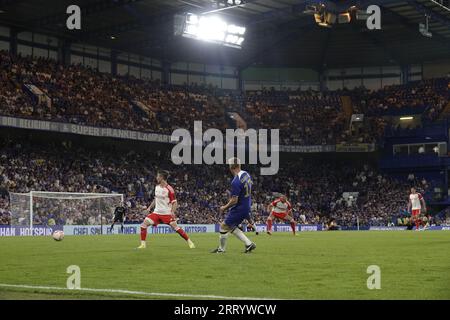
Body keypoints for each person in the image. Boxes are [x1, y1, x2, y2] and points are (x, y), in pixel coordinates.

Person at [137, 170, 195, 249]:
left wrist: (172, 212)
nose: (156, 178)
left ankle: (189, 241)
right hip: (156, 213)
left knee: (176, 227)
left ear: (162, 177)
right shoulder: (156, 187)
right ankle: (143, 245)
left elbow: (175, 202)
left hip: (166, 213)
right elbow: (155, 199)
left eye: (158, 176)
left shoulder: (169, 189)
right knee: (143, 225)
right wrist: (149, 208)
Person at [211, 158, 256, 254]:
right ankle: (248, 244)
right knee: (230, 226)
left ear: (231, 167)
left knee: (223, 226)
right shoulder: (246, 174)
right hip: (246, 205)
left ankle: (221, 249)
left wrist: (224, 207)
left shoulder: (236, 181)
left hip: (240, 207)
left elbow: (234, 200)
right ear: (239, 165)